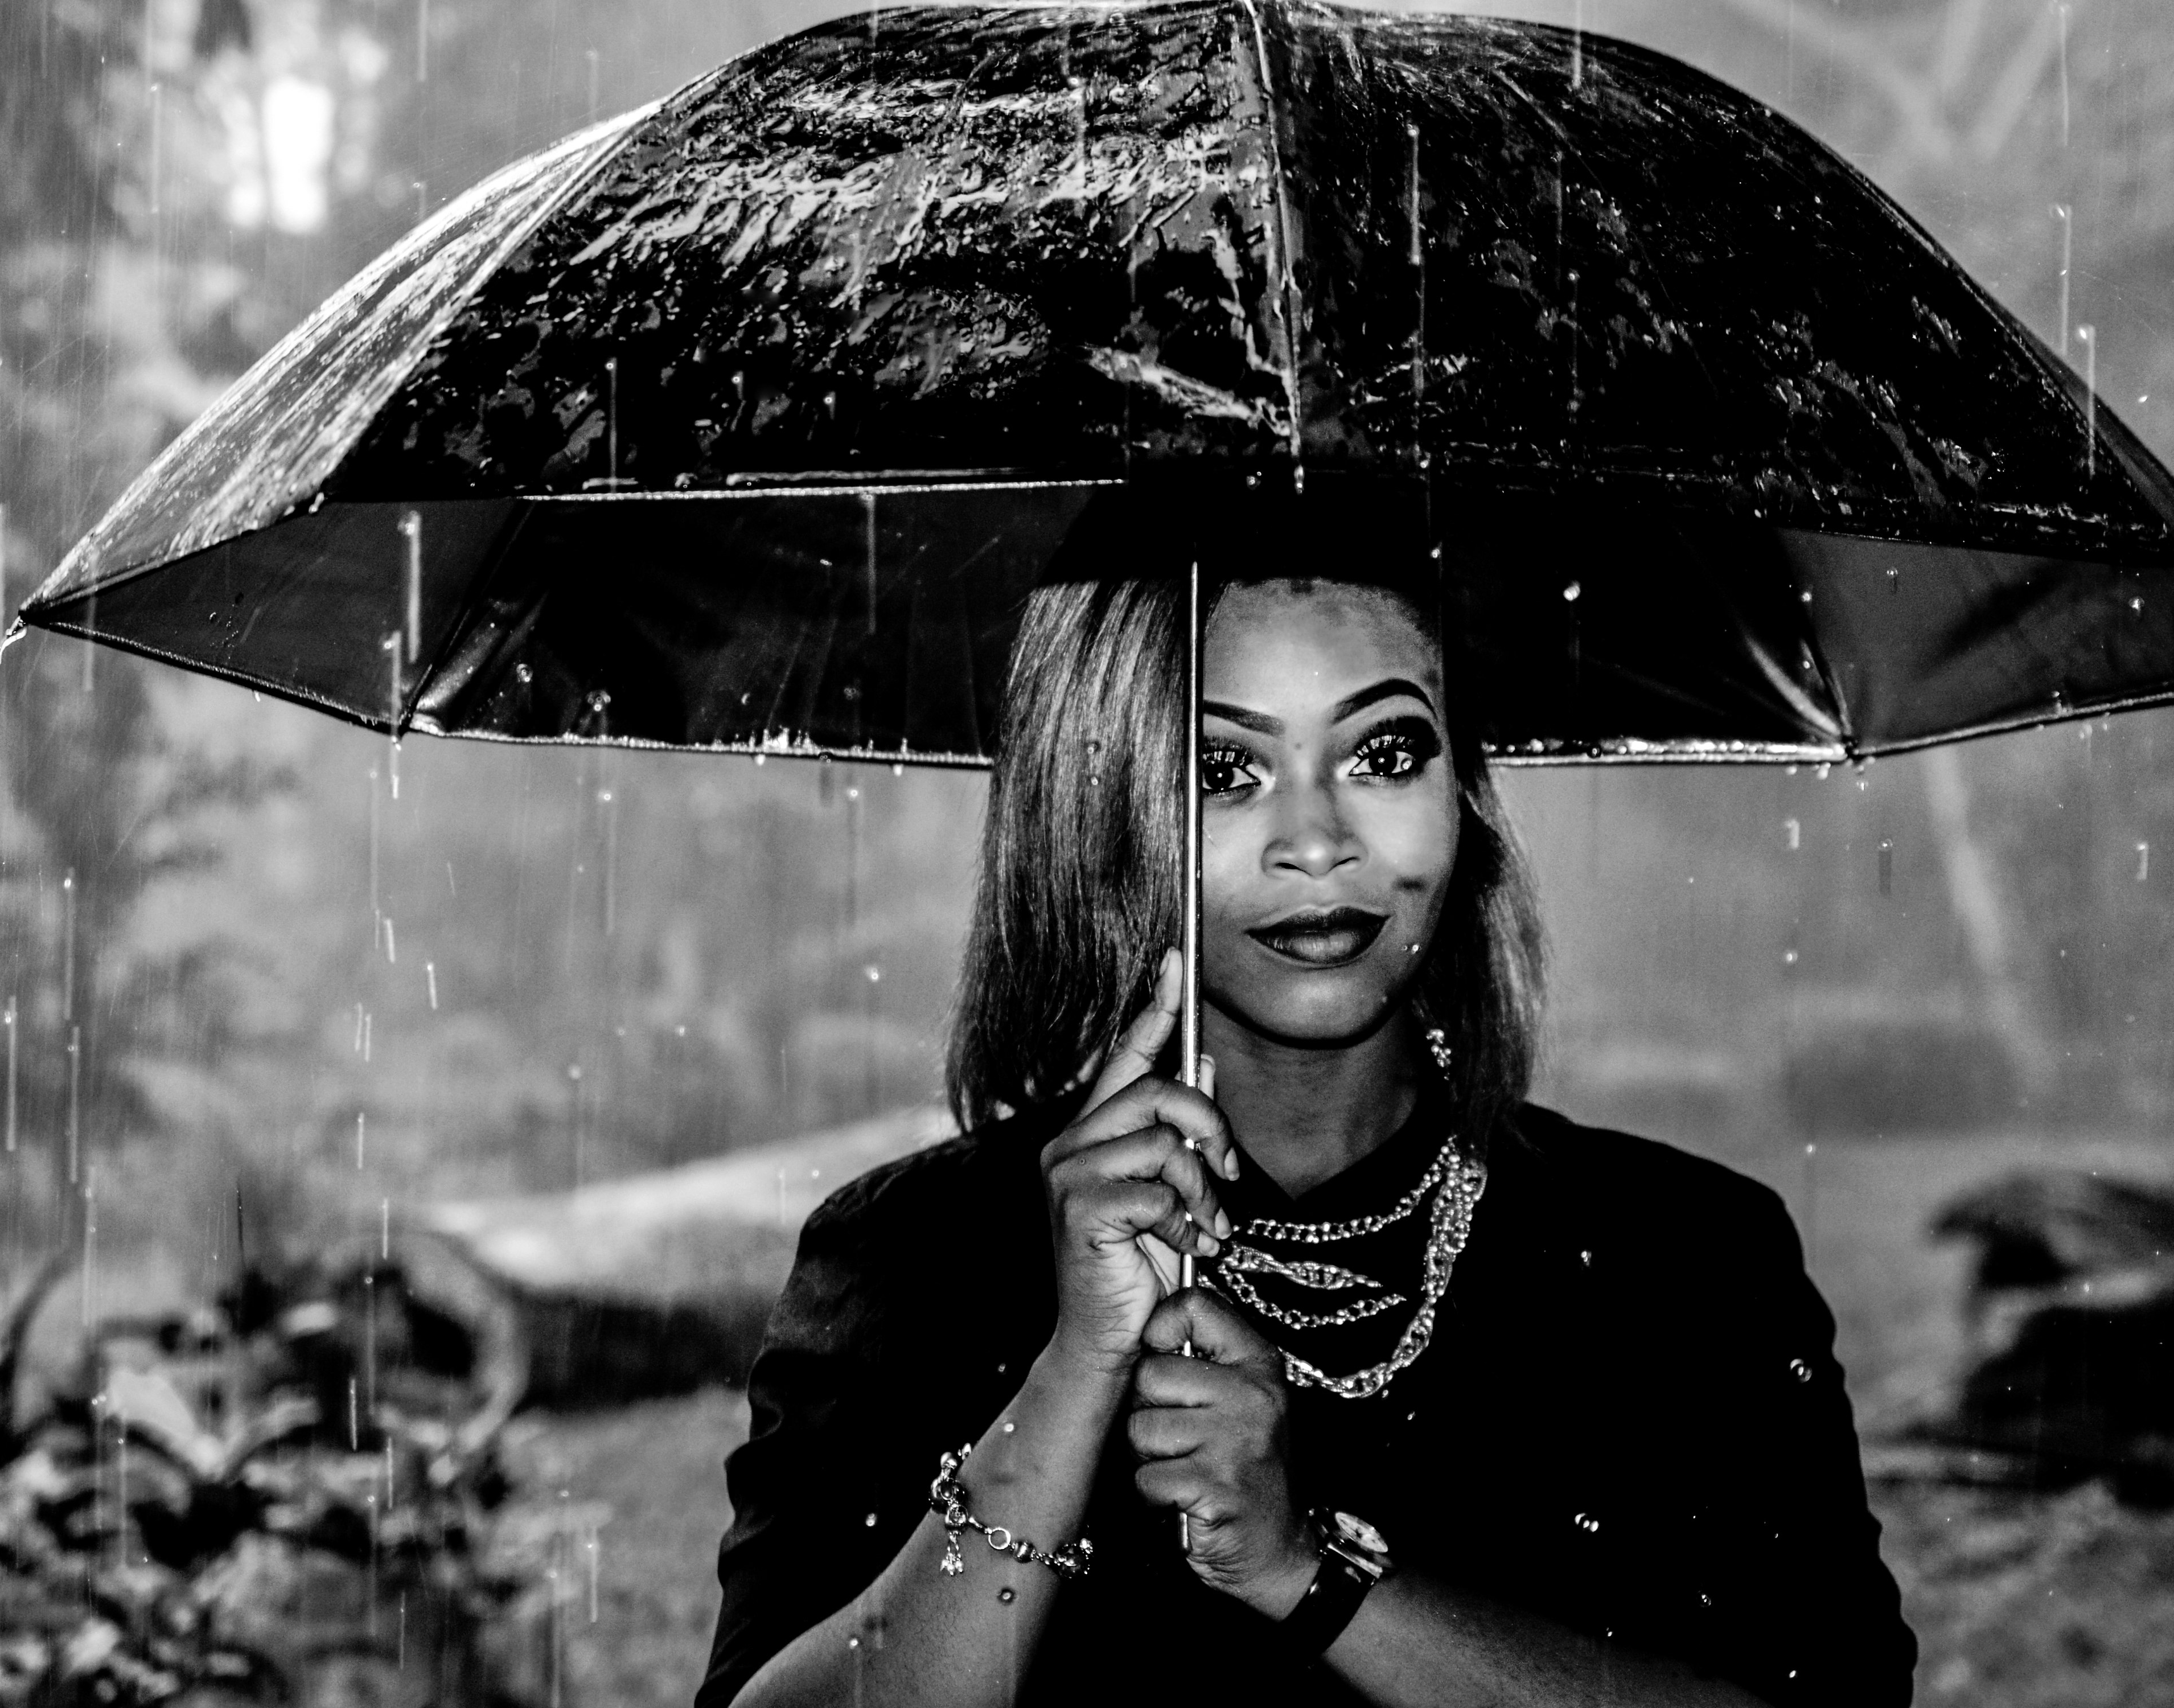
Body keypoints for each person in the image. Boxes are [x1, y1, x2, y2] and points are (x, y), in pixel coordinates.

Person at [698, 552, 1917, 1708]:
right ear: (1103, 815)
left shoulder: (1687, 1258)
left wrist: (1307, 1574)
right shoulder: (917, 1256)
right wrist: (1071, 1382)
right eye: (1225, 772)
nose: (1320, 840)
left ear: (1467, 801)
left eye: (1385, 752)